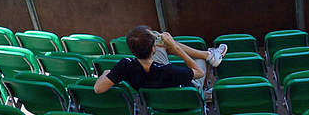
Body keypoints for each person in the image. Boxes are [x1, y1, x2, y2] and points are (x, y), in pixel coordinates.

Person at [93, 27, 225, 94]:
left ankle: (209, 55)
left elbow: (98, 89)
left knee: (161, 40)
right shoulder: (170, 71)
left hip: (155, 98)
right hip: (183, 95)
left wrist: (107, 73)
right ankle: (205, 82)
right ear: (152, 49)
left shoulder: (125, 65)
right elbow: (199, 72)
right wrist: (175, 47)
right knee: (200, 62)